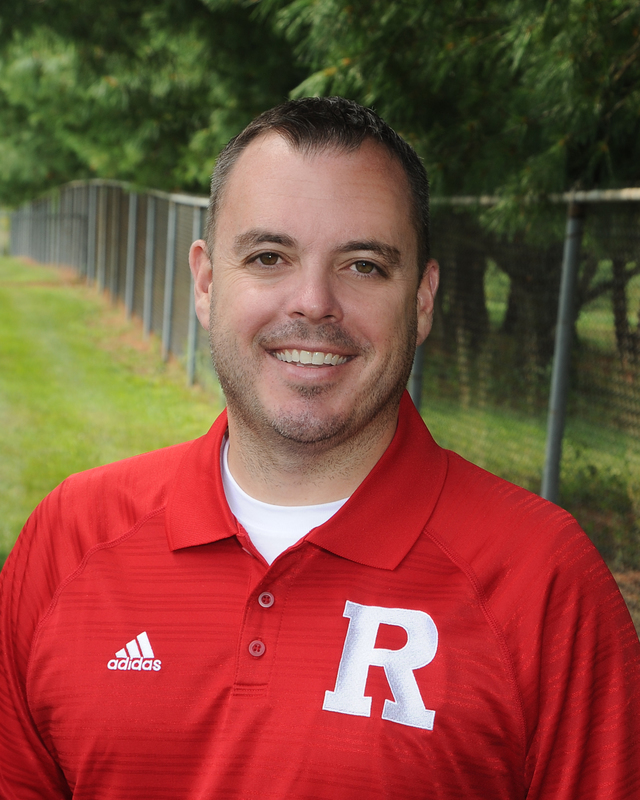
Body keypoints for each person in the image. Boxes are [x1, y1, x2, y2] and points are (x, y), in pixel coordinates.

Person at [1, 97, 639, 800]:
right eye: (269, 257)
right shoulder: (72, 537)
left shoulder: (541, 581)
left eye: (363, 265)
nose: (313, 302)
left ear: (422, 299)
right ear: (207, 283)